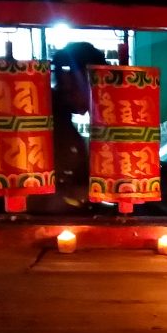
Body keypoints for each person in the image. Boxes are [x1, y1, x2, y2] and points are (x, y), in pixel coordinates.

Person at [32, 41, 106, 213]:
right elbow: (42, 196)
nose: (97, 96)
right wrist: (86, 193)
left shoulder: (61, 118)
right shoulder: (46, 121)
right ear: (69, 80)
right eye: (94, 85)